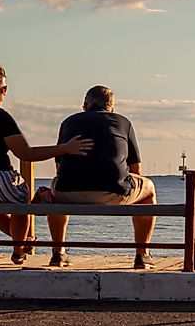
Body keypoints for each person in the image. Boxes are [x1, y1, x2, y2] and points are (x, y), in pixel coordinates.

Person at [0, 61, 93, 264]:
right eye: (4, 89)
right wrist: (65, 148)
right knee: (21, 199)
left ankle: (23, 242)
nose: (5, 93)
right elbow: (26, 153)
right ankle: (18, 250)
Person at [48, 85, 157, 269]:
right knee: (149, 189)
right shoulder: (123, 122)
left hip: (68, 192)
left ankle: (58, 253)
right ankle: (142, 254)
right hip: (114, 193)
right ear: (111, 107)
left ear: (85, 106)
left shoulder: (69, 122)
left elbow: (59, 166)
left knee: (53, 190)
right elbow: (136, 169)